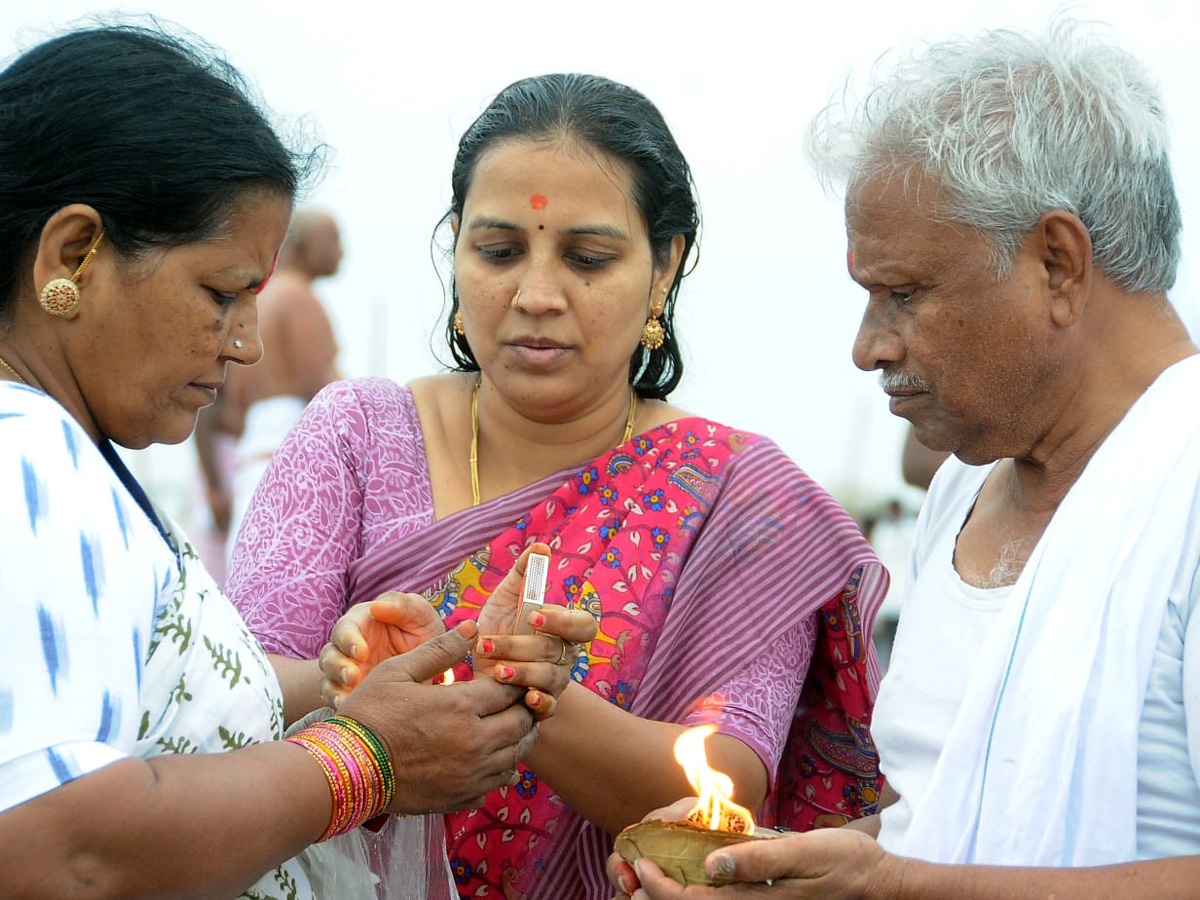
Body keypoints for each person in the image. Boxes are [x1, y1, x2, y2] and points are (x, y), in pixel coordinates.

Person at [226, 73, 889, 900]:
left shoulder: (743, 498)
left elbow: (724, 785)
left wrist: (540, 696)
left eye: (587, 258)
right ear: (456, 250)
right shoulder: (356, 436)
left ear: (664, 268)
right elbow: (233, 708)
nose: (536, 296)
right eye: (499, 252)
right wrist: (347, 683)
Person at [608, 19, 1200, 900]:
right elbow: (941, 820)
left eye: (905, 293)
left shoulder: (1182, 489)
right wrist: (778, 876)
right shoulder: (963, 490)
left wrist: (895, 889)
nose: (867, 346)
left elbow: (922, 876)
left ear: (1059, 264)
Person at [0, 25, 595, 900]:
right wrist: (365, 759)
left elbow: (153, 709)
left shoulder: (67, 447)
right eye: (219, 293)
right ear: (72, 254)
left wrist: (333, 685)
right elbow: (54, 842)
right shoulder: (26, 451)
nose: (244, 342)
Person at [216, 206, 345, 557]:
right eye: (333, 239)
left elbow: (225, 409)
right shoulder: (298, 299)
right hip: (291, 457)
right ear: (304, 244)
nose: (342, 250)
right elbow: (323, 387)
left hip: (252, 453)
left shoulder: (258, 301)